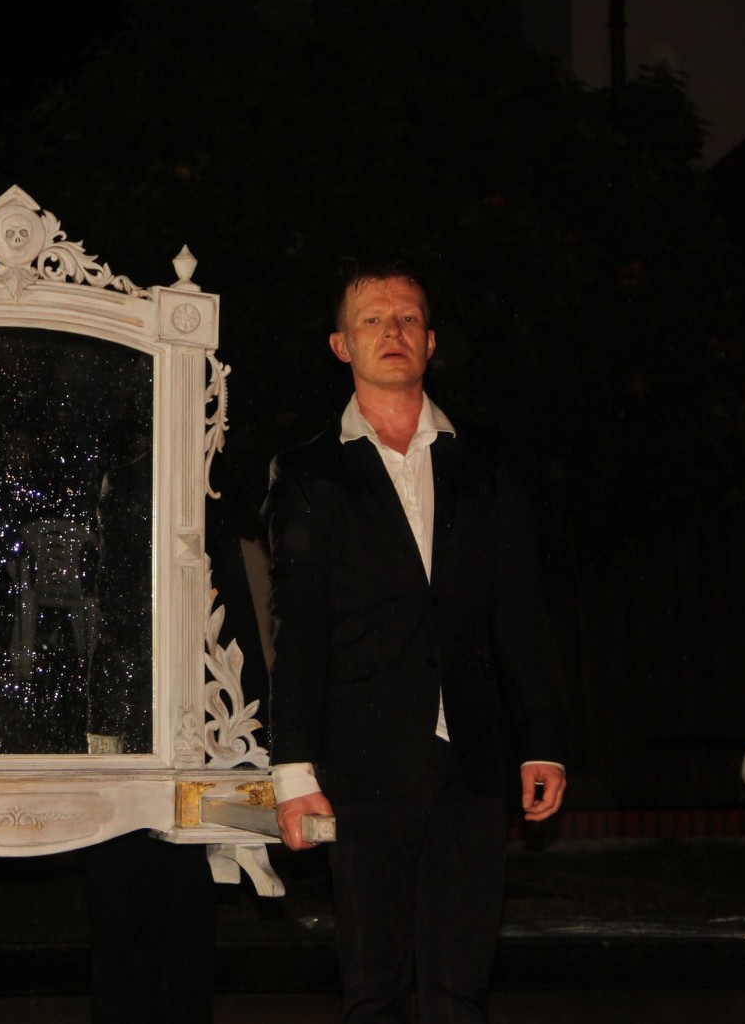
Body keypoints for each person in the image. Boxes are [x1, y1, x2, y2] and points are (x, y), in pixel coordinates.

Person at [263, 260, 568, 1023]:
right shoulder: (309, 473)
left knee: (461, 988)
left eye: (406, 318)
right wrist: (292, 772)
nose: (391, 331)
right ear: (342, 345)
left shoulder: (487, 463)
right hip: (361, 763)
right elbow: (298, 629)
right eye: (372, 319)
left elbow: (520, 612)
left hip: (472, 759)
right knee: (374, 988)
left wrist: (541, 743)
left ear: (430, 341)